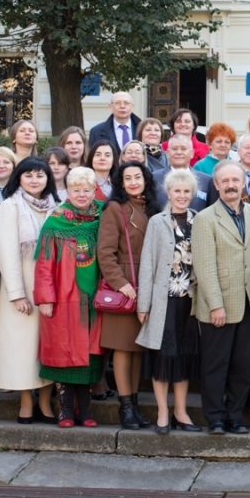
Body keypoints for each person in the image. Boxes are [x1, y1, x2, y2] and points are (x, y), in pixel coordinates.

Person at [33, 167, 105, 428]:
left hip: (94, 298)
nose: (82, 194)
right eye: (76, 190)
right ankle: (64, 408)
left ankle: (85, 410)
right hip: (64, 298)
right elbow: (43, 264)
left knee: (89, 353)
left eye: (87, 189)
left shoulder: (102, 215)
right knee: (65, 352)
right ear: (68, 191)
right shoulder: (56, 221)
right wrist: (45, 298)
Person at [192, 161, 250, 435]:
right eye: (225, 181)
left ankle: (236, 415)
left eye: (236, 180)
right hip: (218, 306)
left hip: (248, 303)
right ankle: (216, 418)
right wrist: (216, 305)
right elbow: (205, 266)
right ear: (217, 185)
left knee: (243, 367)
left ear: (243, 183)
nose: (231, 185)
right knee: (215, 366)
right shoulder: (205, 218)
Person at [136, 169, 202, 434]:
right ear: (169, 193)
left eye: (187, 192)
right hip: (163, 301)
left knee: (184, 356)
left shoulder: (200, 220)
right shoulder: (157, 222)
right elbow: (147, 263)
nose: (182, 196)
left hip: (189, 301)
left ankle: (181, 411)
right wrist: (144, 304)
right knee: (162, 357)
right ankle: (163, 411)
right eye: (177, 191)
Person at [0, 157, 59, 424]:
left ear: (48, 179)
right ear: (18, 178)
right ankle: (25, 402)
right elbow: (6, 251)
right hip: (20, 287)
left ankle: (45, 402)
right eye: (28, 175)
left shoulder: (57, 207)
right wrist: (17, 293)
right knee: (21, 349)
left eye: (40, 175)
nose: (34, 180)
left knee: (46, 347)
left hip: (50, 289)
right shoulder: (10, 207)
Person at [97, 161, 158, 429]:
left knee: (136, 350)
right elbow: (105, 252)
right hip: (126, 286)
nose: (133, 182)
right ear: (120, 183)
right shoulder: (115, 208)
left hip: (147, 285)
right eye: (127, 178)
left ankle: (134, 404)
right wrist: (120, 283)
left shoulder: (152, 208)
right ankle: (125, 407)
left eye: (138, 177)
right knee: (122, 348)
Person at [153, 134, 212, 211]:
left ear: (192, 153)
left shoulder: (207, 181)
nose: (179, 152)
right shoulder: (154, 178)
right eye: (174, 149)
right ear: (167, 153)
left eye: (183, 149)